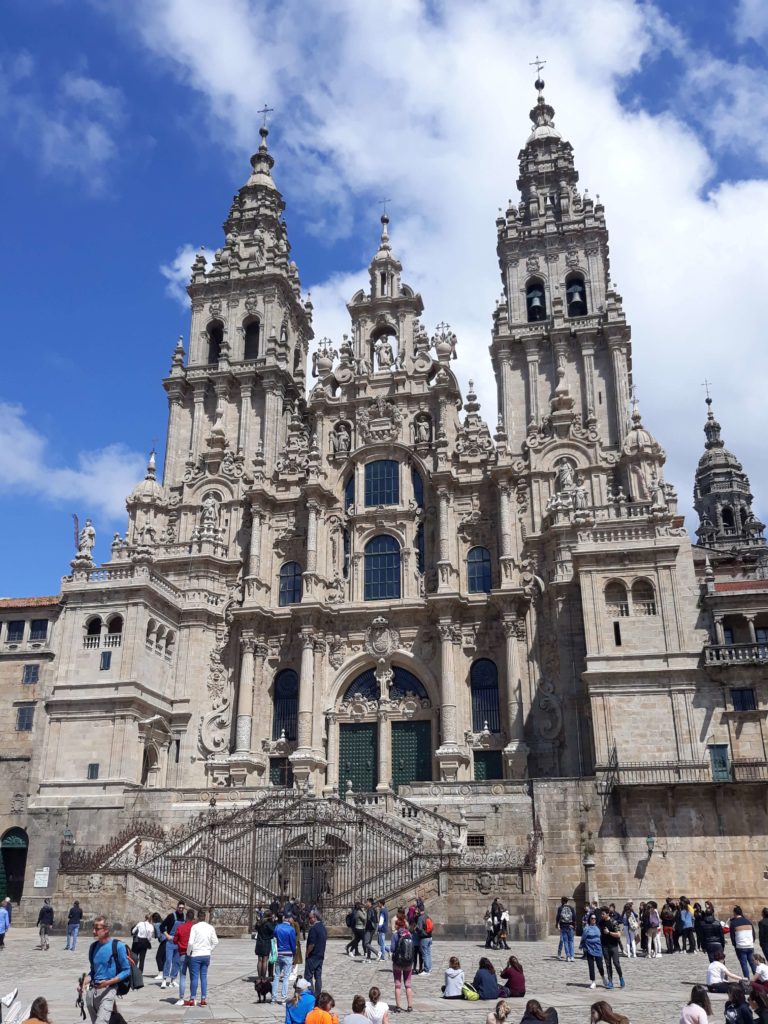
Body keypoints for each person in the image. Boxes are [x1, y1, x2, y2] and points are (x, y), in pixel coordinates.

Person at [82, 915, 131, 1024]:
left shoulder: (118, 946)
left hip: (109, 990)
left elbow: (127, 970)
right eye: (93, 928)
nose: (93, 931)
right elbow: (93, 971)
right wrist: (84, 982)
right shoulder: (93, 947)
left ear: (106, 930)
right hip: (92, 993)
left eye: (97, 928)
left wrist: (109, 982)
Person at [185, 908, 218, 1008]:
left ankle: (192, 998)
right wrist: (209, 950)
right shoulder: (210, 927)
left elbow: (190, 942)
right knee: (203, 977)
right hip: (206, 955)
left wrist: (188, 952)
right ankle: (203, 998)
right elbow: (216, 941)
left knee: (194, 977)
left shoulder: (194, 927)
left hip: (195, 954)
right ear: (205, 917)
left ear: (197, 917)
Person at [172, 908, 196, 1006]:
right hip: (192, 954)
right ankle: (192, 998)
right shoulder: (195, 928)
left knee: (182, 976)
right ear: (193, 918)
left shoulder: (180, 927)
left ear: (186, 917)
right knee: (193, 977)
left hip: (182, 953)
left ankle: (181, 998)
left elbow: (174, 940)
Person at [273, 911, 298, 1005]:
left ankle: (273, 998)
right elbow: (293, 943)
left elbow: (274, 938)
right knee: (286, 977)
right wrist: (294, 953)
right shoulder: (291, 929)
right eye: (292, 918)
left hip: (279, 953)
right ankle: (283, 998)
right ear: (288, 918)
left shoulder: (277, 927)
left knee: (276, 976)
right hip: (288, 953)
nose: (293, 920)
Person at [159, 900, 185, 986]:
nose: (181, 909)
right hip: (170, 942)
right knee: (168, 960)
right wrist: (167, 936)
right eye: (179, 907)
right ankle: (164, 979)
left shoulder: (185, 918)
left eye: (182, 908)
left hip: (179, 942)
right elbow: (161, 926)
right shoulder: (171, 916)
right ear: (177, 907)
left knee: (177, 961)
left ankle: (173, 980)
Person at [391, 919, 414, 1013]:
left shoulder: (395, 935)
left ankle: (398, 1007)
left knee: (397, 985)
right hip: (408, 963)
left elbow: (392, 948)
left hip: (397, 963)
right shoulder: (409, 934)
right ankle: (410, 1006)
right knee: (408, 985)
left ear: (397, 926)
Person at [599, 908, 624, 989]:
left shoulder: (613, 922)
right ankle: (610, 982)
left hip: (613, 946)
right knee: (608, 964)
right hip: (605, 946)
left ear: (607, 914)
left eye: (603, 914)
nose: (601, 915)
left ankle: (621, 977)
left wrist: (609, 932)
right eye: (601, 914)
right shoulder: (601, 922)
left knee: (616, 963)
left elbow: (619, 934)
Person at [580, 912, 606, 990]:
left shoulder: (598, 928)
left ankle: (603, 977)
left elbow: (602, 937)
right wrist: (583, 946)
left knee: (600, 965)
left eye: (594, 918)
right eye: (592, 918)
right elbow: (583, 938)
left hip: (598, 948)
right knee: (591, 966)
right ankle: (593, 981)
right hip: (589, 948)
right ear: (589, 919)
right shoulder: (586, 928)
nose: (593, 919)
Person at [729, 906, 757, 979]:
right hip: (750, 945)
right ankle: (757, 979)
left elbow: (732, 937)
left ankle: (747, 980)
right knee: (753, 963)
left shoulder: (733, 923)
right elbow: (753, 934)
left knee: (744, 964)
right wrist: (751, 942)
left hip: (740, 947)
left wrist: (735, 945)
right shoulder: (748, 921)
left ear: (735, 913)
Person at [305, 910, 327, 997]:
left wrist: (307, 953)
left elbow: (312, 944)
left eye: (310, 918)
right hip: (320, 955)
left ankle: (311, 995)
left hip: (313, 956)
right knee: (318, 976)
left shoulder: (314, 929)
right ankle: (318, 995)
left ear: (315, 917)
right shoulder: (322, 927)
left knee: (308, 976)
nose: (309, 920)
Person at [255, 909, 276, 984]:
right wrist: (273, 922)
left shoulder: (259, 922)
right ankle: (263, 977)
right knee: (264, 960)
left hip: (259, 942)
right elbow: (273, 931)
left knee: (259, 960)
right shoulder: (268, 924)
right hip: (266, 942)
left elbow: (256, 928)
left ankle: (259, 977)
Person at [413, 899, 432, 975]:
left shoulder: (420, 918)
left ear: (418, 909)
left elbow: (420, 928)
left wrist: (416, 928)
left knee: (425, 954)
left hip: (424, 938)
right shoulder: (426, 915)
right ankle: (429, 968)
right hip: (429, 937)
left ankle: (426, 970)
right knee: (428, 953)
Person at [556, 897, 575, 962]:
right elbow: (574, 917)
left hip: (563, 926)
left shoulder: (560, 908)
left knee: (566, 942)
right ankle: (572, 956)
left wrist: (557, 924)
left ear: (562, 901)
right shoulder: (571, 908)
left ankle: (568, 956)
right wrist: (573, 925)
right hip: (570, 926)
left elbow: (558, 917)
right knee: (571, 941)